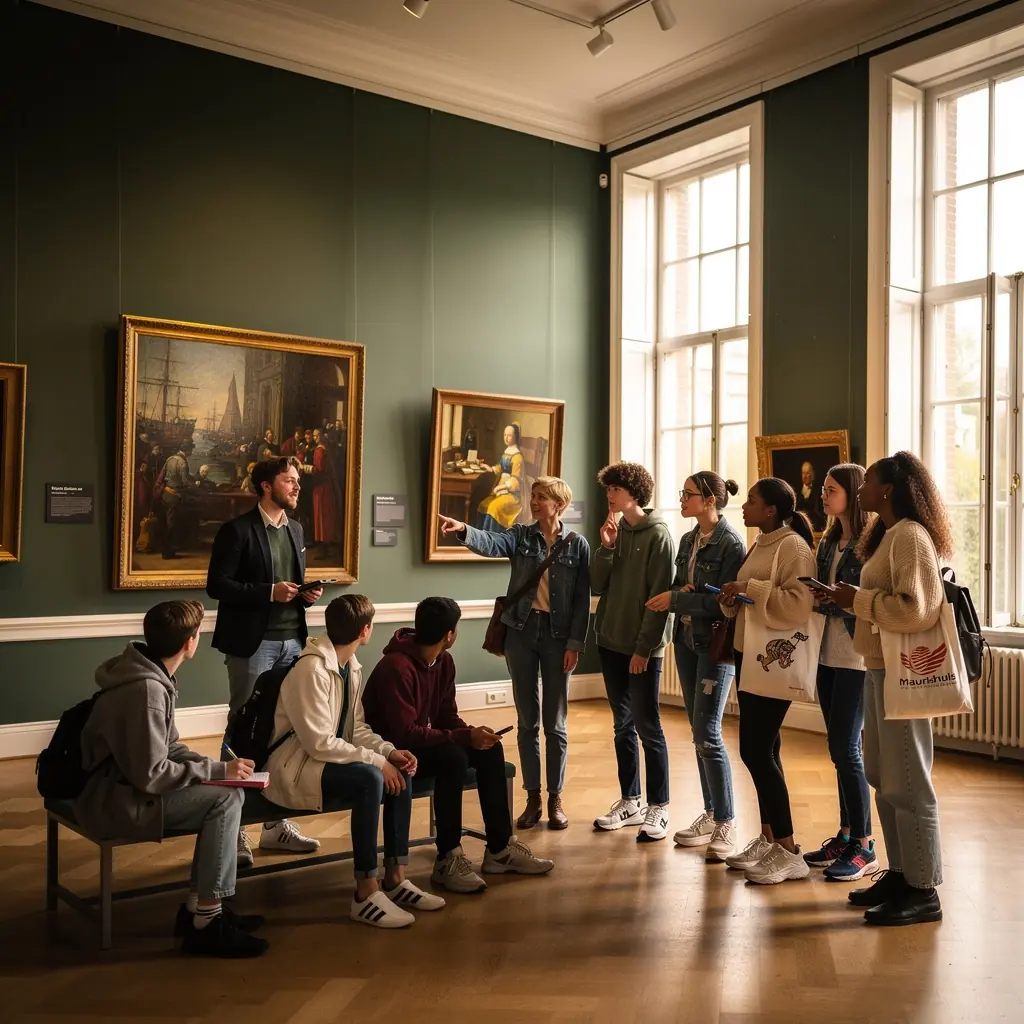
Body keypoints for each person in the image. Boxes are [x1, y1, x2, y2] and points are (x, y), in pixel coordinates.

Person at [75, 601, 268, 957]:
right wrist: (217, 774)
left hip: (121, 787)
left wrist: (216, 768)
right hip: (117, 800)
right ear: (189, 643)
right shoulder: (147, 690)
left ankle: (199, 910)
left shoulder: (148, 673)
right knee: (226, 799)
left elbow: (170, 747)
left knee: (227, 792)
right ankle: (207, 921)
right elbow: (152, 775)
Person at [265, 595, 445, 928]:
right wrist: (377, 762)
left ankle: (395, 877)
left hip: (320, 760)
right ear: (365, 630)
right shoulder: (311, 669)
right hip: (294, 768)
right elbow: (319, 743)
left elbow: (355, 728)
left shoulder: (351, 666)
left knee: (398, 771)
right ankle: (365, 892)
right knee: (371, 778)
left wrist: (388, 752)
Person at [825, 451, 949, 926]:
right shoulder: (889, 534)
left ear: (890, 489)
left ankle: (923, 890)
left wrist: (857, 599)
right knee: (883, 775)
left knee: (910, 782)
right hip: (878, 666)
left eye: (868, 482)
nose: (861, 489)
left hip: (904, 672)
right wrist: (851, 600)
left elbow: (917, 610)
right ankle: (900, 874)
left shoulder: (911, 536)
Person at [363, 597, 554, 894]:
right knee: (452, 758)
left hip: (418, 742)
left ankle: (500, 850)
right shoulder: (396, 667)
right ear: (449, 634)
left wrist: (472, 733)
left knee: (489, 749)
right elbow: (404, 735)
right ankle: (448, 857)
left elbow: (446, 717)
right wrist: (464, 737)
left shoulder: (443, 661)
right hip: (393, 752)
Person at [437, 476, 591, 830]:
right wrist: (464, 530)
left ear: (559, 504)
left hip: (558, 637)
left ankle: (555, 798)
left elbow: (582, 600)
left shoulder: (577, 544)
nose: (533, 502)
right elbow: (492, 542)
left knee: (555, 723)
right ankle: (533, 797)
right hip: (520, 633)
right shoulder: (521, 536)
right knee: (527, 721)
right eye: (532, 496)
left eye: (541, 497)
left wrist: (575, 644)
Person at [206, 456, 322, 866]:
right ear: (266, 486)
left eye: (297, 480)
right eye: (288, 480)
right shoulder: (237, 531)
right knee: (243, 727)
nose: (296, 487)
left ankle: (274, 824)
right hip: (253, 645)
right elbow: (217, 585)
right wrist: (268, 592)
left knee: (283, 730)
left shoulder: (296, 529)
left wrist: (306, 594)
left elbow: (291, 585)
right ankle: (234, 825)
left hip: (293, 641)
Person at [717, 478, 816, 884]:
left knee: (755, 750)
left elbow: (799, 604)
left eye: (752, 500)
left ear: (771, 509)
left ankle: (790, 850)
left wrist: (748, 588)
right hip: (749, 653)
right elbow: (754, 597)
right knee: (766, 747)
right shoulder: (760, 542)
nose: (744, 506)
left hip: (774, 659)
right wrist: (733, 599)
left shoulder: (793, 547)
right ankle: (769, 837)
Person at [646, 471, 745, 861]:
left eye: (687, 494)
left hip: (714, 644)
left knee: (708, 732)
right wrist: (681, 591)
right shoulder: (688, 540)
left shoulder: (731, 544)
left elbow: (724, 604)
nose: (682, 499)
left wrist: (677, 600)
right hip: (686, 641)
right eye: (682, 493)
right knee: (697, 730)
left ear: (709, 501)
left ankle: (726, 821)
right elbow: (681, 584)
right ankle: (710, 812)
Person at [591, 462, 675, 842]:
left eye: (616, 488)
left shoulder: (659, 535)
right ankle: (630, 800)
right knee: (622, 725)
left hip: (642, 649)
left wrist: (644, 649)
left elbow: (659, 600)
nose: (610, 495)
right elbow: (597, 584)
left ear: (635, 492)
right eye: (608, 488)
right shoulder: (615, 530)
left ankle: (659, 806)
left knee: (648, 727)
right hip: (609, 641)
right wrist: (606, 547)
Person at [802, 464, 878, 881]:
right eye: (824, 489)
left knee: (846, 748)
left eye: (831, 490)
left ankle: (864, 845)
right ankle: (846, 835)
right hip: (825, 651)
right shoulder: (829, 540)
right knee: (837, 748)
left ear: (852, 493)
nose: (824, 496)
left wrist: (841, 599)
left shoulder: (871, 543)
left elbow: (868, 597)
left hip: (855, 654)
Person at [475, 423, 525, 531]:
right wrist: (490, 468)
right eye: (504, 435)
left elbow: (515, 480)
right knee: (483, 505)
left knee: (493, 508)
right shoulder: (506, 452)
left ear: (515, 437)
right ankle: (481, 535)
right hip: (501, 491)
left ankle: (492, 537)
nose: (506, 438)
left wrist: (499, 487)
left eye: (509, 435)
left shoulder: (518, 457)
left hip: (512, 494)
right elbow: (500, 467)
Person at [157, 440, 195, 559]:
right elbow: (185, 482)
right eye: (191, 449)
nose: (192, 451)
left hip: (165, 494)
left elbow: (163, 475)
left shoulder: (170, 459)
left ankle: (166, 549)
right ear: (187, 450)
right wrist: (195, 484)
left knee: (166, 522)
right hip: (174, 496)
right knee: (172, 524)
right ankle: (167, 552)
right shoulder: (183, 463)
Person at [795, 461, 826, 532]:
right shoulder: (796, 491)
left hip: (815, 528)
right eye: (803, 473)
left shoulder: (819, 491)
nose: (805, 476)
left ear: (812, 474)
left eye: (807, 473)